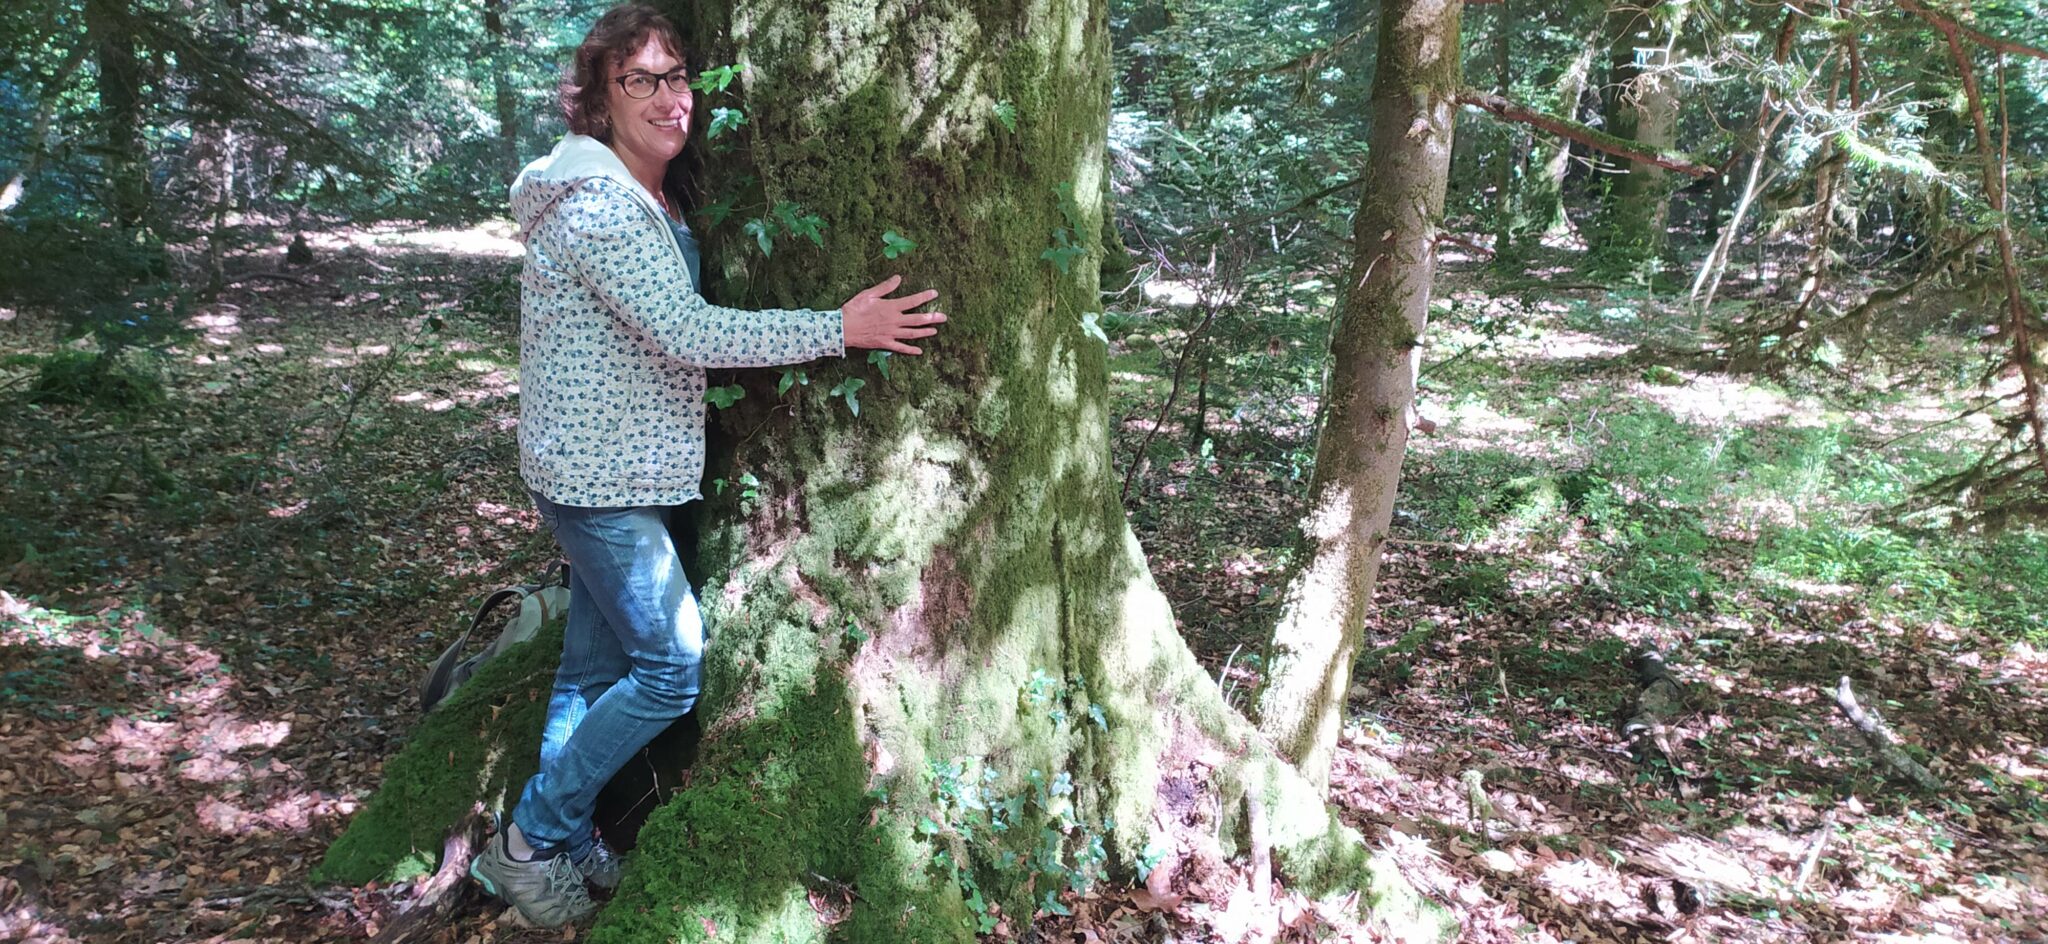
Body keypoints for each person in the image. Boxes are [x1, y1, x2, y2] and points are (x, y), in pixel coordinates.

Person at [468, 4, 945, 927]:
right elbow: (687, 333)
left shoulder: (651, 195)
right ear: (598, 101)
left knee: (590, 673)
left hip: (612, 467)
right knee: (671, 667)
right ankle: (529, 837)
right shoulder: (600, 206)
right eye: (638, 79)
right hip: (597, 481)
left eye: (677, 76)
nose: (668, 97)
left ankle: (551, 844)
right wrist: (839, 328)